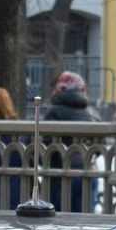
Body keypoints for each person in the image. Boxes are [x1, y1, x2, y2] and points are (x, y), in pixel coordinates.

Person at [40, 71, 96, 212]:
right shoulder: (90, 113)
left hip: (60, 174)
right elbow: (98, 147)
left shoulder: (54, 112)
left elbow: (45, 145)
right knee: (84, 222)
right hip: (88, 173)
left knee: (58, 222)